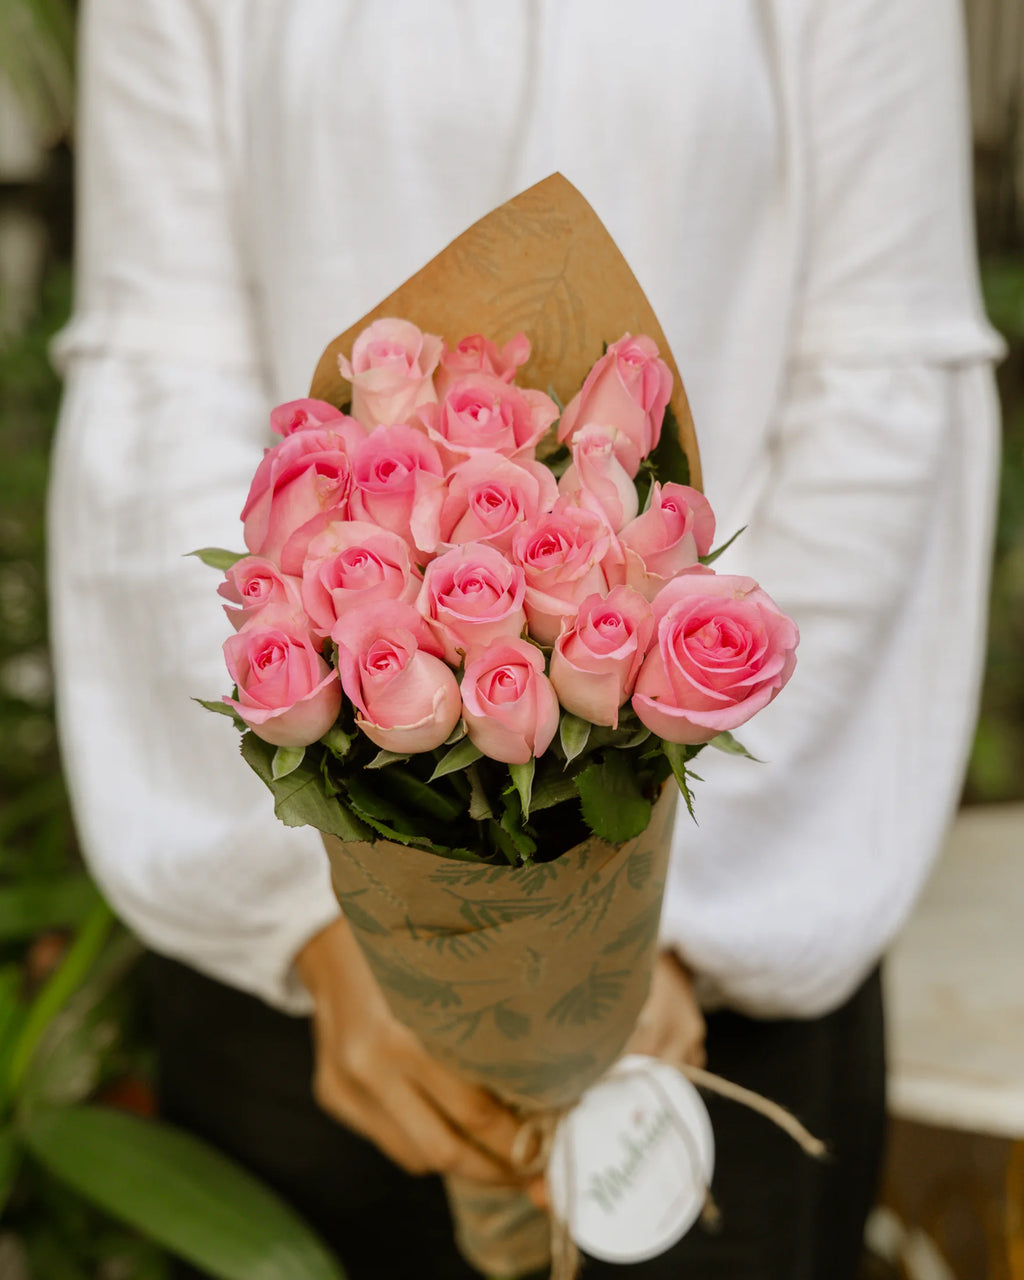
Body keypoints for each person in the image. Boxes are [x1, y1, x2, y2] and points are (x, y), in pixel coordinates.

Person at [48, 2, 1002, 1277]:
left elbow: (888, 380)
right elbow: (153, 380)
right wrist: (322, 921)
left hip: (707, 995)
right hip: (321, 1008)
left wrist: (634, 933)